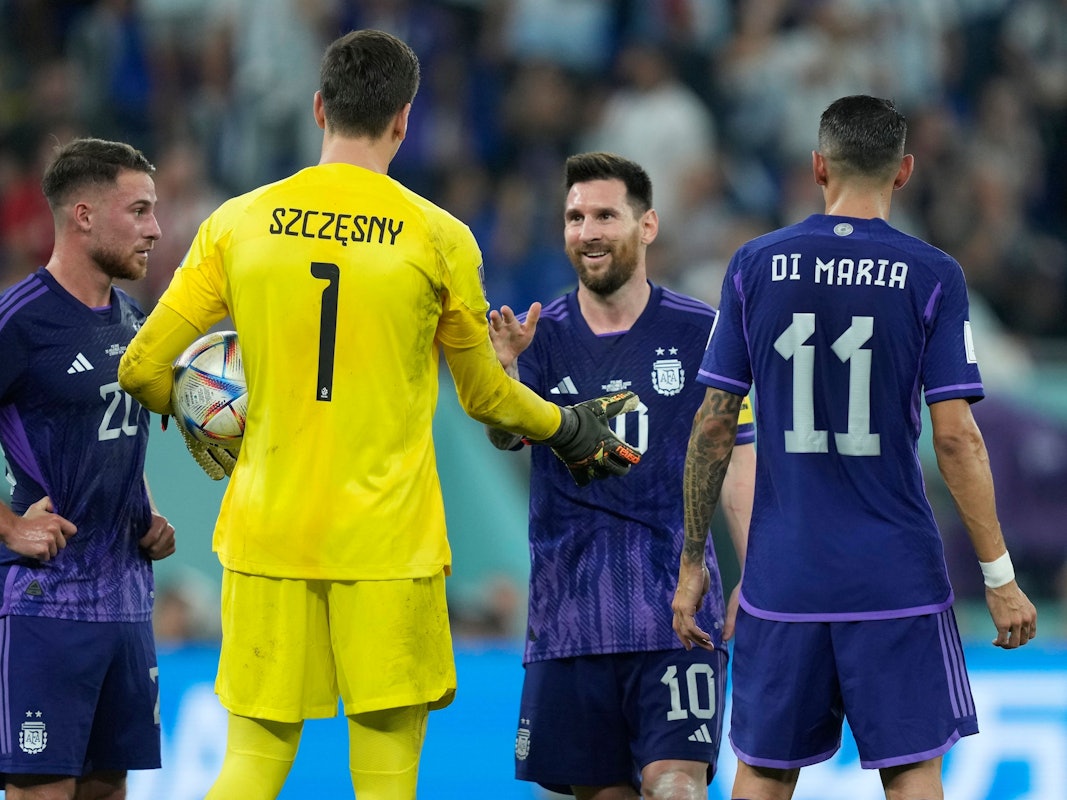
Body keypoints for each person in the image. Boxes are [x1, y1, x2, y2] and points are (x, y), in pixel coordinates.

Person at [117, 29, 641, 800]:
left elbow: (139, 368)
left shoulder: (238, 222)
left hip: (268, 531)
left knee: (252, 767)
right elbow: (485, 397)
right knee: (385, 782)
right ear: (403, 119)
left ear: (319, 108)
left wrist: (202, 416)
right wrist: (569, 428)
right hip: (388, 542)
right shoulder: (439, 236)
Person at [671, 95, 1039, 800]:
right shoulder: (932, 274)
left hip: (784, 577)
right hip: (894, 578)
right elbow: (956, 437)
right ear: (903, 171)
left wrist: (694, 562)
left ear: (818, 167)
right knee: (911, 773)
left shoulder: (753, 265)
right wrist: (999, 577)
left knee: (763, 775)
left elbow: (713, 424)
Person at [486, 151, 756, 799]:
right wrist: (504, 380)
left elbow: (738, 460)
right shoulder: (537, 337)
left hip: (676, 610)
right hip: (569, 617)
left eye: (605, 215)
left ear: (647, 225)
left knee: (676, 784)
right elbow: (505, 438)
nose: (588, 231)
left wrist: (756, 572)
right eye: (575, 217)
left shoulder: (703, 332)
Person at [0, 137, 176, 800]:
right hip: (47, 606)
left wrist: (147, 512)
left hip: (126, 608)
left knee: (108, 793)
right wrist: (11, 526)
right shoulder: (20, 322)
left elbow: (117, 438)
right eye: (139, 211)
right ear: (84, 216)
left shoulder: (136, 321)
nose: (155, 229)